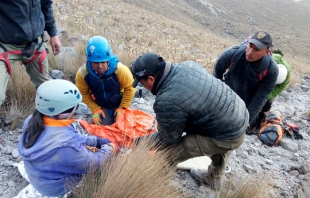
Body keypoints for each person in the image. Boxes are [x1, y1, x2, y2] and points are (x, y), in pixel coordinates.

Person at [131, 52, 249, 190]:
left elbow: (168, 140)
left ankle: (153, 188)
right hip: (239, 117)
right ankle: (214, 179)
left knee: (169, 154)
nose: (143, 86)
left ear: (150, 79)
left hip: (228, 134)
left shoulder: (167, 101)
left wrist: (141, 143)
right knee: (219, 141)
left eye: (142, 83)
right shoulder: (187, 65)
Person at [18, 79, 119, 197]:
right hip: (56, 189)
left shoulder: (33, 120)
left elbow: (73, 137)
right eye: (74, 108)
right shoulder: (65, 147)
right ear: (64, 114)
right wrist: (110, 148)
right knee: (105, 170)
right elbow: (94, 163)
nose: (75, 112)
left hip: (41, 178)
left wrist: (96, 141)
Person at [0, 0, 61, 108]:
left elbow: (45, 4)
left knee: (48, 92)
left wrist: (53, 34)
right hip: (5, 45)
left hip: (35, 43)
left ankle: (54, 122)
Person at [213, 30, 279, 128]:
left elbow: (259, 98)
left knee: (237, 125)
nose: (250, 52)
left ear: (266, 51)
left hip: (246, 104)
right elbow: (217, 71)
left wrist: (246, 121)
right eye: (250, 46)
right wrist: (215, 97)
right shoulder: (233, 53)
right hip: (226, 94)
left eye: (257, 49)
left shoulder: (271, 70)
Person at [75, 36, 135, 125]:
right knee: (101, 127)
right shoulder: (83, 74)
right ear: (89, 61)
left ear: (108, 60)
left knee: (124, 126)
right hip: (101, 106)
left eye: (103, 62)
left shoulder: (120, 70)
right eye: (96, 62)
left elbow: (130, 88)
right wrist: (95, 109)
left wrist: (122, 107)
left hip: (120, 102)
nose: (100, 66)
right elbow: (82, 93)